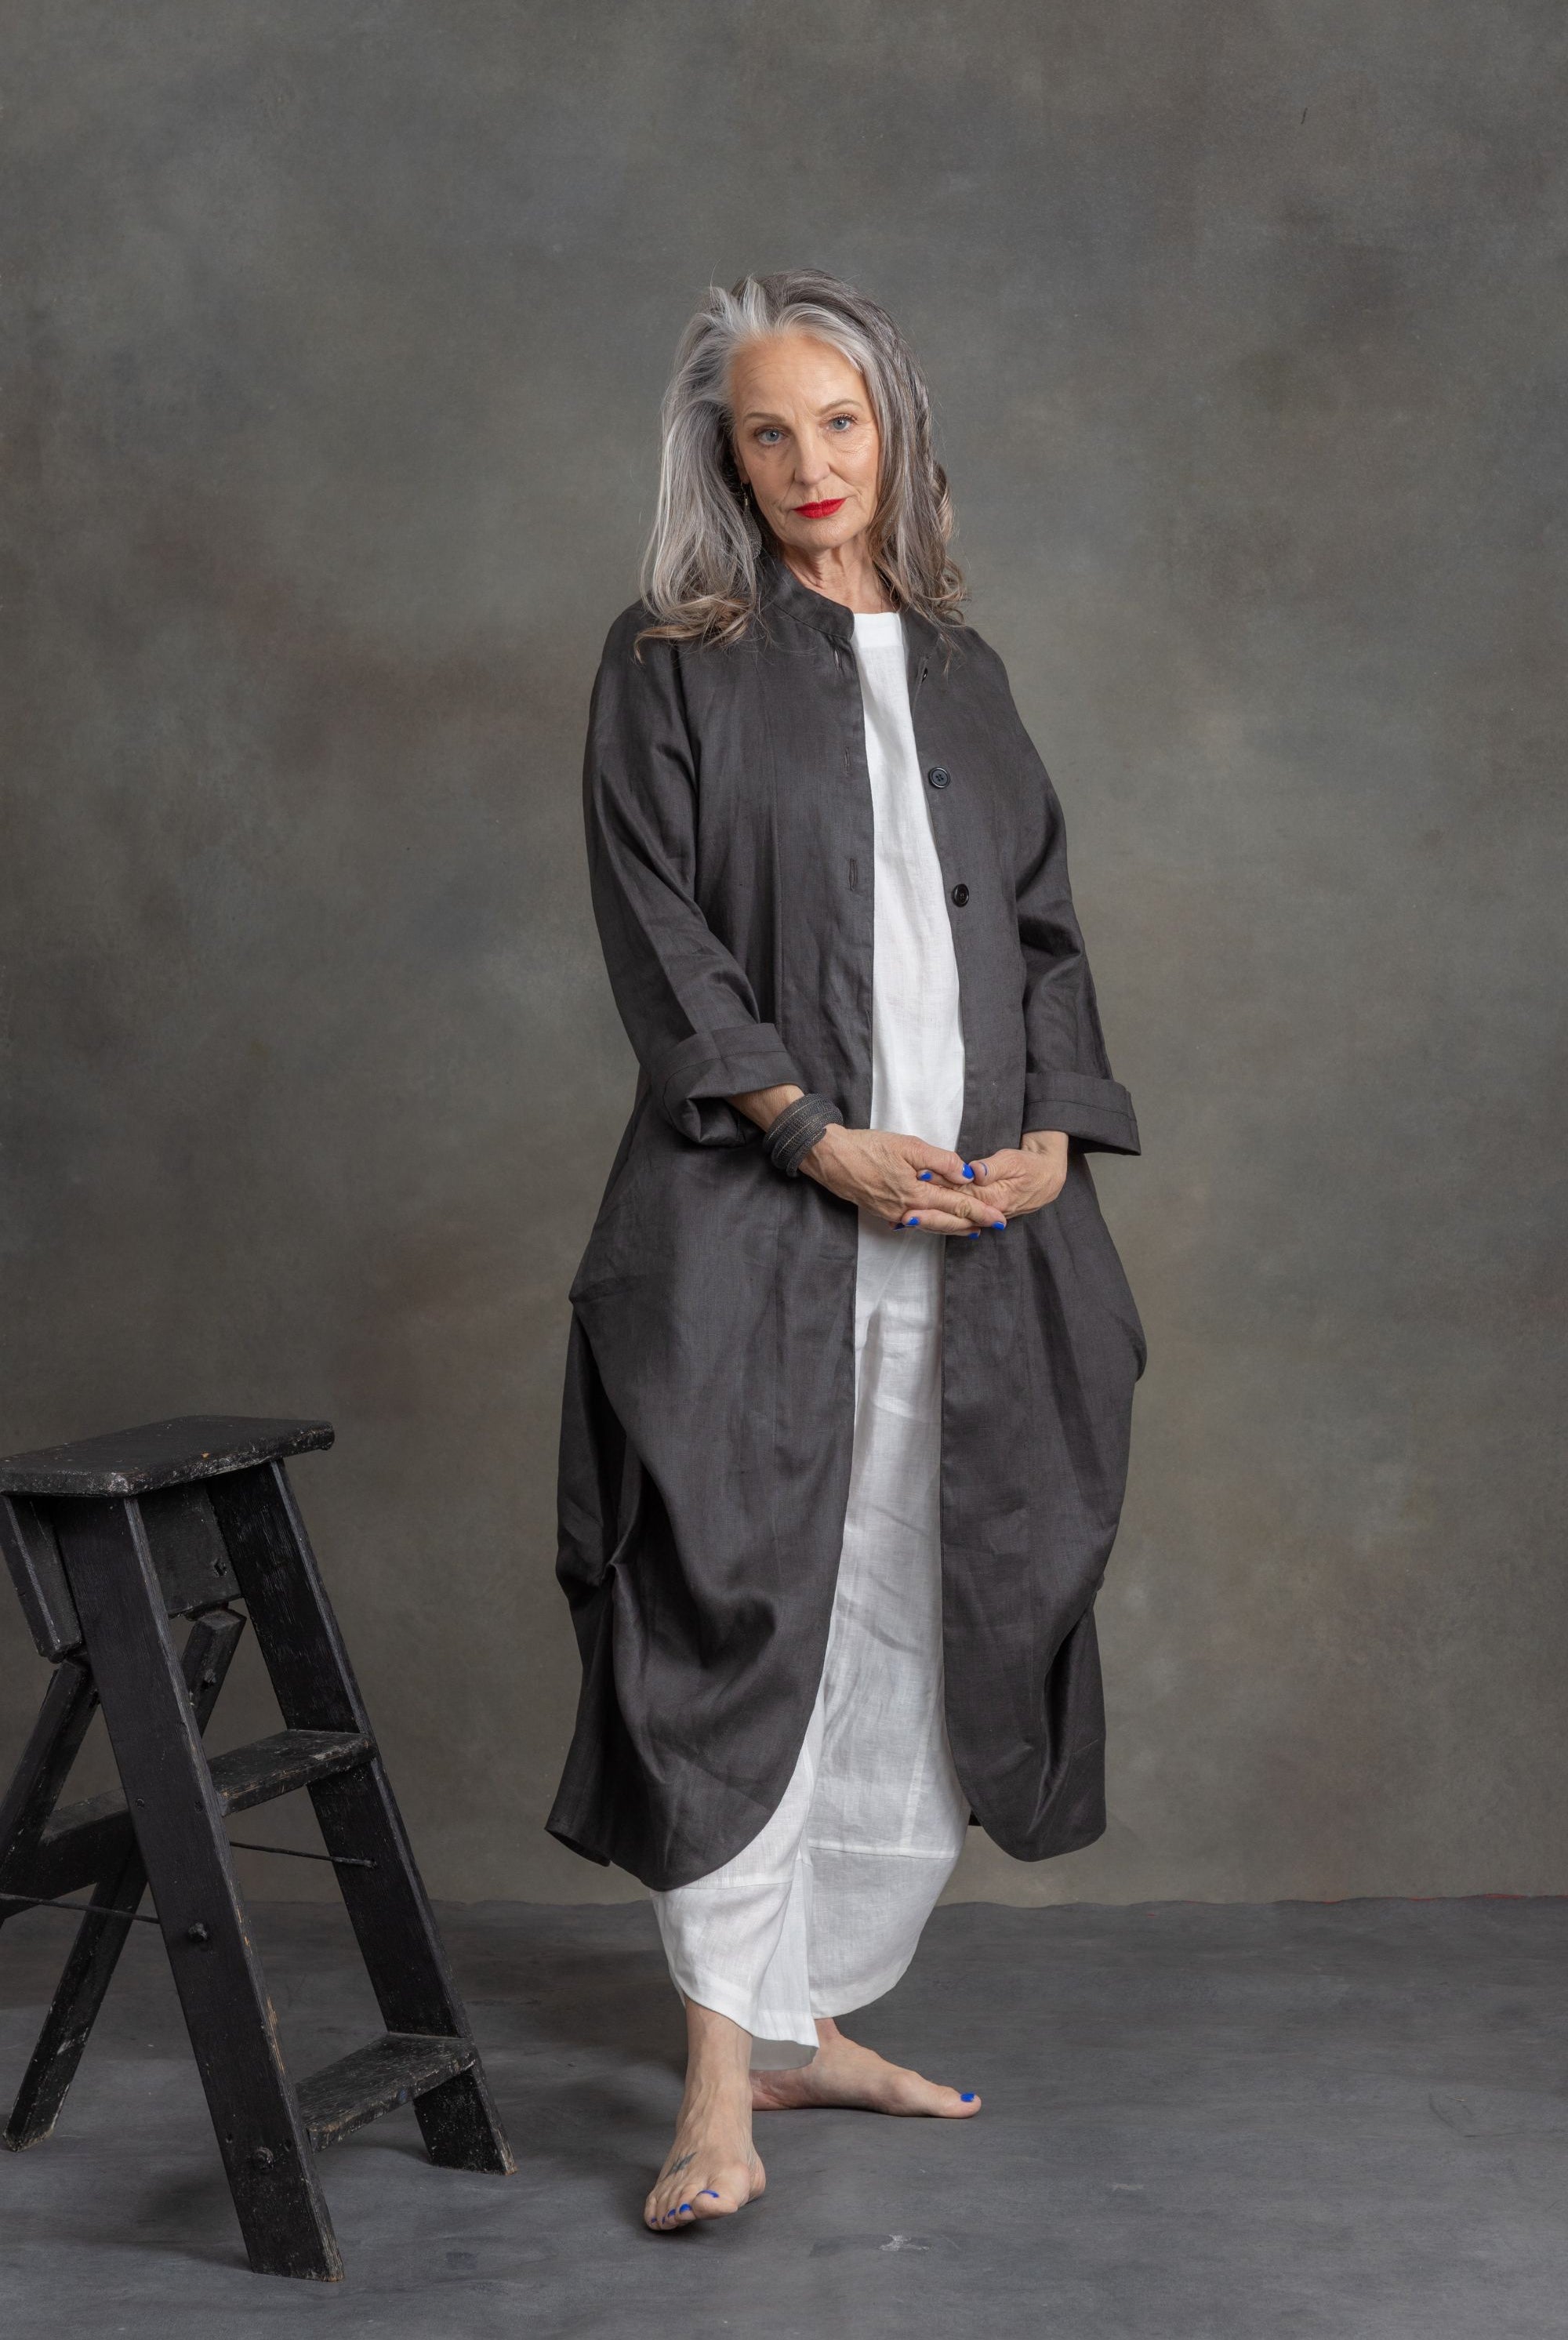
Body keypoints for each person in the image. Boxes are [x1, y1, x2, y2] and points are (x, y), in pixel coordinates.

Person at [546, 269, 1145, 2233]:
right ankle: (716, 2081)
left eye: (840, 422)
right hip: (755, 1233)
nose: (809, 464)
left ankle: (803, 2022)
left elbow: (1040, 927)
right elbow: (660, 931)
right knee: (733, 1614)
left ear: (894, 433)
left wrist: (1049, 1128)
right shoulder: (672, 662)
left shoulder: (963, 666)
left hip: (972, 1240)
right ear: (722, 460)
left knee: (913, 1605)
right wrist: (806, 1130)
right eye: (767, 432)